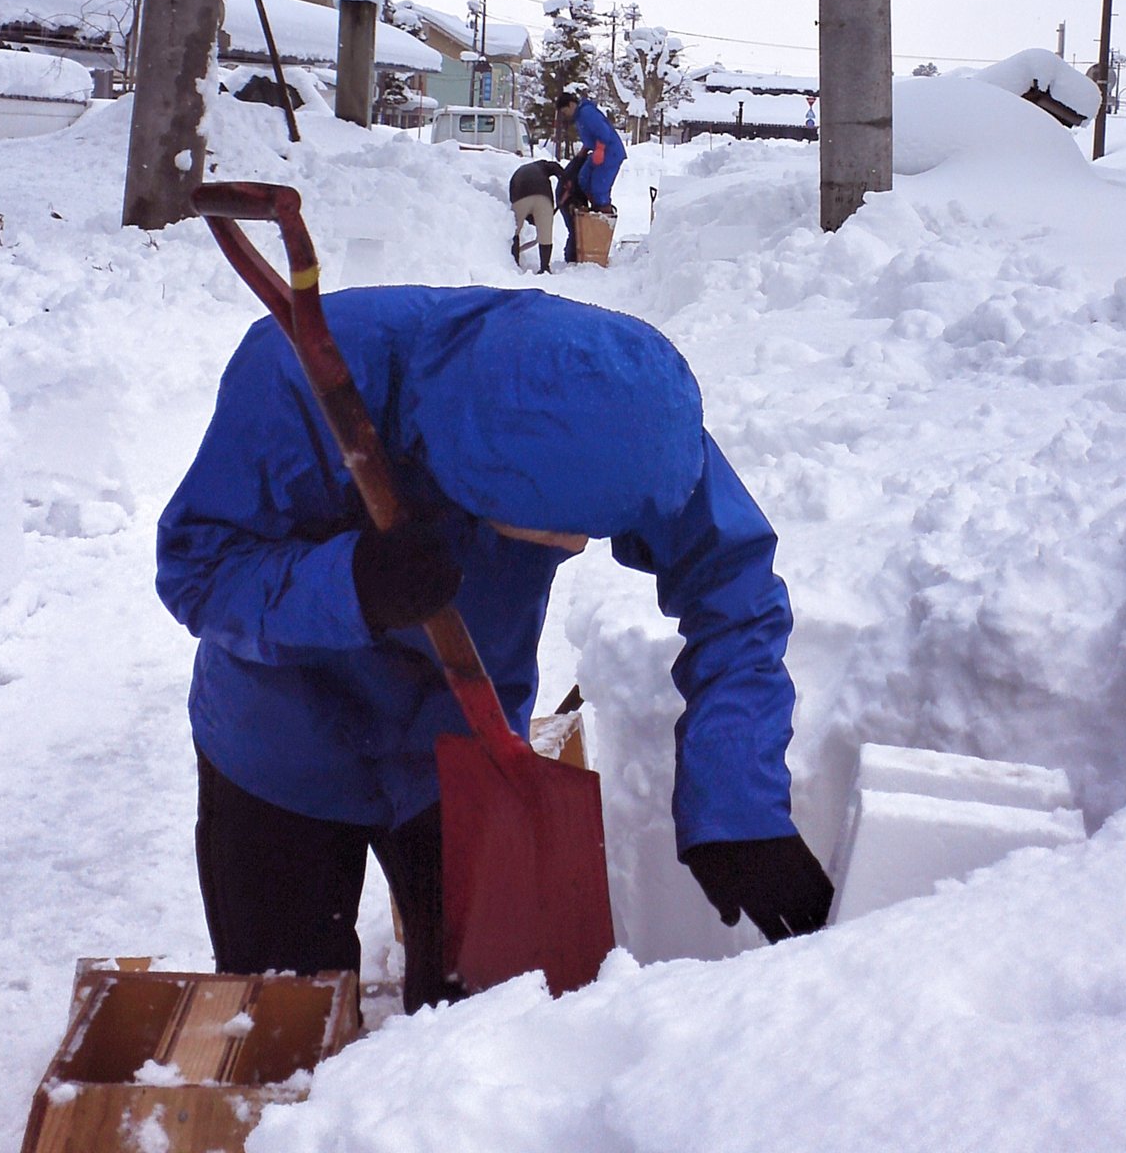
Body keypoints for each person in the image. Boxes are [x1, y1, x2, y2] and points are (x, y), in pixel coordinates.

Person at [155, 286, 832, 1011]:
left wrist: (737, 799)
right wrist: (353, 584)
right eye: (551, 528)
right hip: (280, 740)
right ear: (468, 481)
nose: (575, 546)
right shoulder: (301, 372)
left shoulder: (624, 412)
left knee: (473, 1019)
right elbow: (200, 570)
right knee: (280, 1019)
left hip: (462, 741)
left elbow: (734, 592)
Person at [555, 87, 626, 264]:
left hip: (610, 153)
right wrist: (584, 152)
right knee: (583, 179)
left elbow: (603, 131)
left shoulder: (586, 112)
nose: (566, 115)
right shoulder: (580, 117)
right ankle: (593, 213)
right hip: (597, 152)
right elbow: (590, 137)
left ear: (571, 104)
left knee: (599, 188)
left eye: (565, 111)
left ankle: (602, 223)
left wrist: (600, 149)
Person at [507, 155, 565, 273]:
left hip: (519, 195)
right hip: (543, 196)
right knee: (545, 234)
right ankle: (544, 267)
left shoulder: (520, 172)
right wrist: (564, 180)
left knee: (514, 231)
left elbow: (512, 197)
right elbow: (556, 168)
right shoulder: (543, 166)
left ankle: (514, 264)